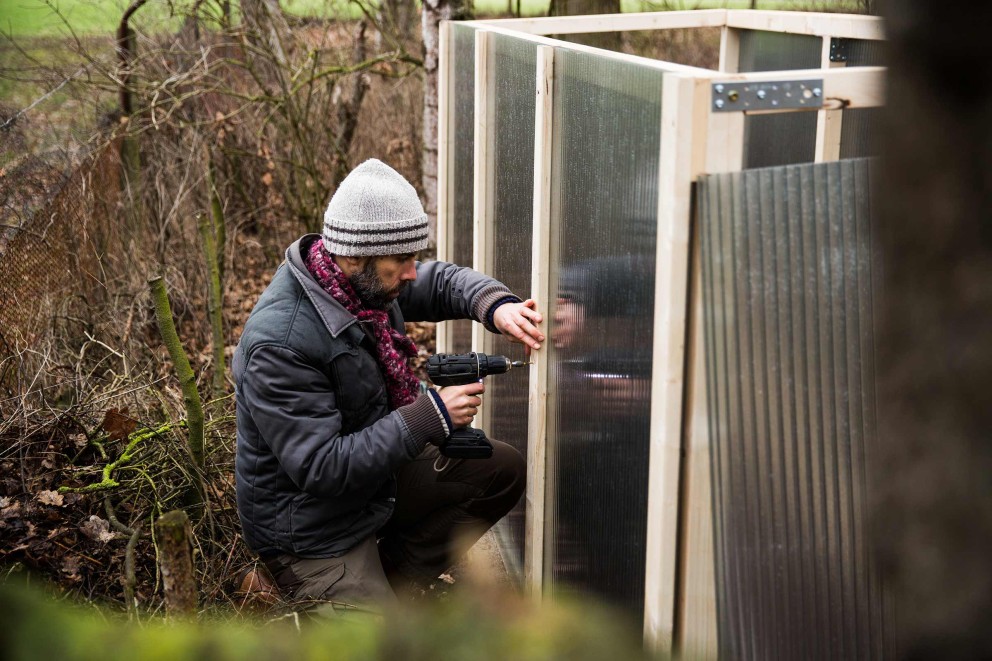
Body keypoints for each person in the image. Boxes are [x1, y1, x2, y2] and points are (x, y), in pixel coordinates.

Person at [232, 159, 544, 615]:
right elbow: (322, 467)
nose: (412, 272)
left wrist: (495, 306)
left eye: (412, 256)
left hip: (371, 486)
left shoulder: (360, 286)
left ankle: (385, 583)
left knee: (500, 470)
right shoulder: (280, 343)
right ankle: (308, 589)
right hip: (313, 529)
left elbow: (442, 282)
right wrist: (431, 416)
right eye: (402, 260)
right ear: (355, 255)